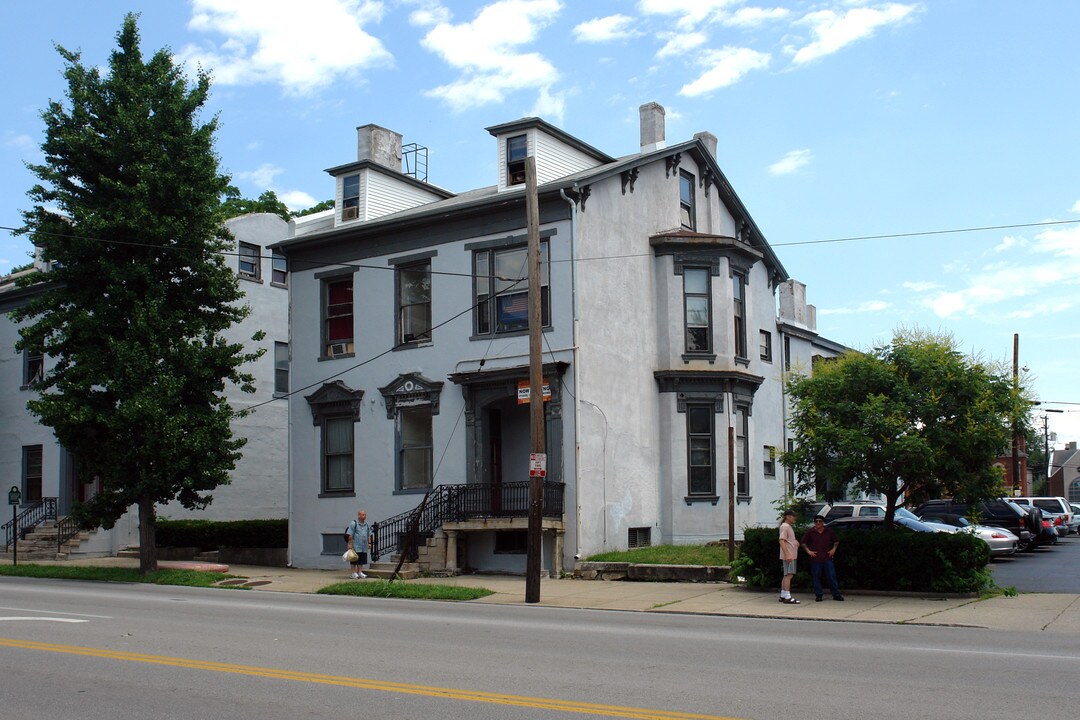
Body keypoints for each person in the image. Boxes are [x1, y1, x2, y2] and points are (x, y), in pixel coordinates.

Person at [801, 516, 844, 602]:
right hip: (816, 559)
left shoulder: (829, 531)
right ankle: (819, 595)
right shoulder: (810, 532)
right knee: (816, 577)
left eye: (820, 521)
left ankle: (836, 594)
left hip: (827, 557)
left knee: (831, 577)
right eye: (816, 521)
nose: (818, 523)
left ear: (823, 522)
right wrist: (808, 551)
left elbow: (836, 541)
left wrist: (833, 549)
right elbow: (803, 542)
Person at [778, 509, 800, 604]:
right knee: (789, 575)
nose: (795, 518)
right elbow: (782, 540)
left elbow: (788, 540)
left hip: (791, 553)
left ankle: (783, 594)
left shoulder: (787, 527)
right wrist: (787, 554)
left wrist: (795, 542)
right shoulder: (785, 527)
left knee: (786, 574)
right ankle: (787, 596)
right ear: (788, 517)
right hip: (789, 555)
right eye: (793, 516)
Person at [346, 509, 373, 579]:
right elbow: (350, 535)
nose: (365, 516)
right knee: (354, 559)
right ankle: (353, 573)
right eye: (363, 515)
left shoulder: (366, 524)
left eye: (365, 515)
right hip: (355, 545)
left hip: (364, 546)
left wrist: (369, 543)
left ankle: (360, 572)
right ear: (359, 515)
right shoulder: (354, 523)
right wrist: (350, 544)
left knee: (361, 559)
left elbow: (369, 535)